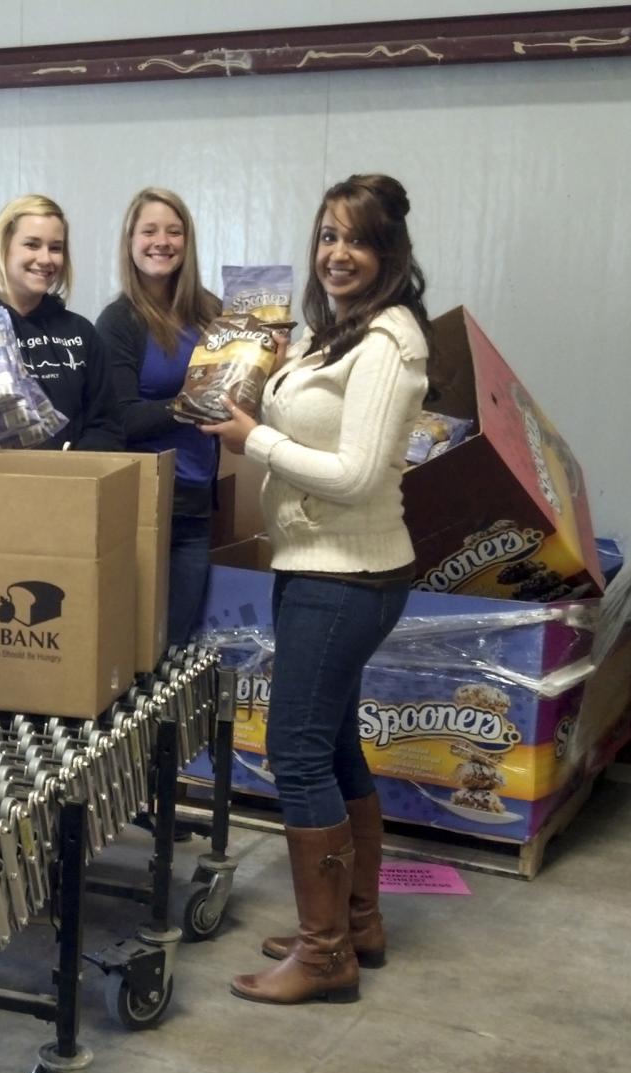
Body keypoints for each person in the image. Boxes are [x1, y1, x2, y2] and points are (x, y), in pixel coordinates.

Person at [201, 174, 432, 1005]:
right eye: (329, 235)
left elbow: (359, 474)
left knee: (296, 751)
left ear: (390, 253)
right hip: (319, 567)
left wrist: (253, 437)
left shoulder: (387, 345)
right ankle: (356, 920)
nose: (338, 253)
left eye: (357, 239)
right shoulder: (339, 333)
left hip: (347, 572)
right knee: (330, 744)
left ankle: (326, 952)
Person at [95, 187, 224, 648]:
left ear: (187, 242)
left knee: (178, 648)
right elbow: (121, 421)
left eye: (174, 231)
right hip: (143, 506)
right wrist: (190, 405)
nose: (161, 241)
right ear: (130, 241)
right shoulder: (118, 322)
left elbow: (236, 396)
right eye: (149, 231)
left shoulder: (211, 312)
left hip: (195, 506)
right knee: (136, 647)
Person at [0, 194, 124, 452]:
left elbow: (107, 426)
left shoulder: (81, 333)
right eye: (32, 244)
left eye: (55, 248)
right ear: (4, 247)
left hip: (69, 486)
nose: (46, 258)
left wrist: (69, 471)